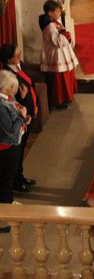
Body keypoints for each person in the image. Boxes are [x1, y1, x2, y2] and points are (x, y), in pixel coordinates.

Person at [0, 44, 38, 193]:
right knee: (16, 153)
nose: (19, 58)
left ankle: (19, 176)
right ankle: (15, 181)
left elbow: (30, 86)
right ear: (9, 59)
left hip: (25, 116)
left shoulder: (18, 67)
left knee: (20, 153)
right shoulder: (6, 75)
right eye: (16, 56)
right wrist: (22, 104)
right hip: (17, 122)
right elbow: (13, 100)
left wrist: (34, 106)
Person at [0, 70, 30, 225]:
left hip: (12, 147)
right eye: (13, 87)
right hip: (6, 148)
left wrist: (23, 118)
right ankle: (6, 213)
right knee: (5, 178)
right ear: (6, 88)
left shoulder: (7, 99)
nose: (15, 90)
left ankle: (8, 201)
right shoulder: (1, 106)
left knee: (8, 177)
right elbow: (10, 132)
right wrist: (23, 116)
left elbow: (15, 114)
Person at [39, 0, 79, 110]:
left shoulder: (55, 23)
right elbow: (58, 42)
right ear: (50, 13)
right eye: (57, 11)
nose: (60, 13)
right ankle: (60, 101)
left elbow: (63, 37)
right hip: (56, 56)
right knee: (59, 80)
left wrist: (65, 33)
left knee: (66, 75)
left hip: (61, 55)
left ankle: (67, 97)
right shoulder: (50, 27)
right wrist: (63, 33)